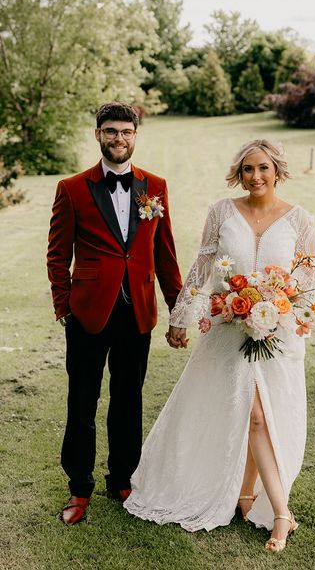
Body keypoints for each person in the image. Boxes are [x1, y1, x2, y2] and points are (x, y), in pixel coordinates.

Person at [123, 139, 315, 553]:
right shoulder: (221, 212)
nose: (256, 177)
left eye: (263, 168)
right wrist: (181, 318)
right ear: (239, 173)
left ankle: (257, 499)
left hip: (277, 333)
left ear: (277, 170)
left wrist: (282, 306)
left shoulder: (301, 219)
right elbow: (202, 269)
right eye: (247, 169)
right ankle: (278, 512)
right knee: (250, 415)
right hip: (228, 328)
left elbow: (306, 277)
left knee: (262, 417)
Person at [47, 101, 184, 526]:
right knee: (82, 402)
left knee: (129, 399)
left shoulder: (155, 187)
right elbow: (57, 255)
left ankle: (122, 478)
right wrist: (64, 305)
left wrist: (178, 308)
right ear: (98, 135)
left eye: (126, 131)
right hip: (87, 313)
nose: (118, 138)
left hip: (137, 313)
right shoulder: (71, 188)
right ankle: (79, 487)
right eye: (110, 131)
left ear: (135, 136)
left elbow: (165, 254)